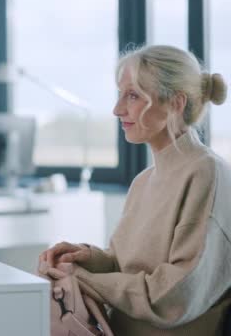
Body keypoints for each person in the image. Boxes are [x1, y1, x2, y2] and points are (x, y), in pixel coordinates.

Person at [39, 45, 231, 335]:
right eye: (120, 94)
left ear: (176, 103)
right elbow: (124, 264)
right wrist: (86, 258)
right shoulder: (144, 180)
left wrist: (84, 279)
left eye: (133, 95)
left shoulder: (206, 173)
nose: (117, 110)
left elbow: (175, 296)